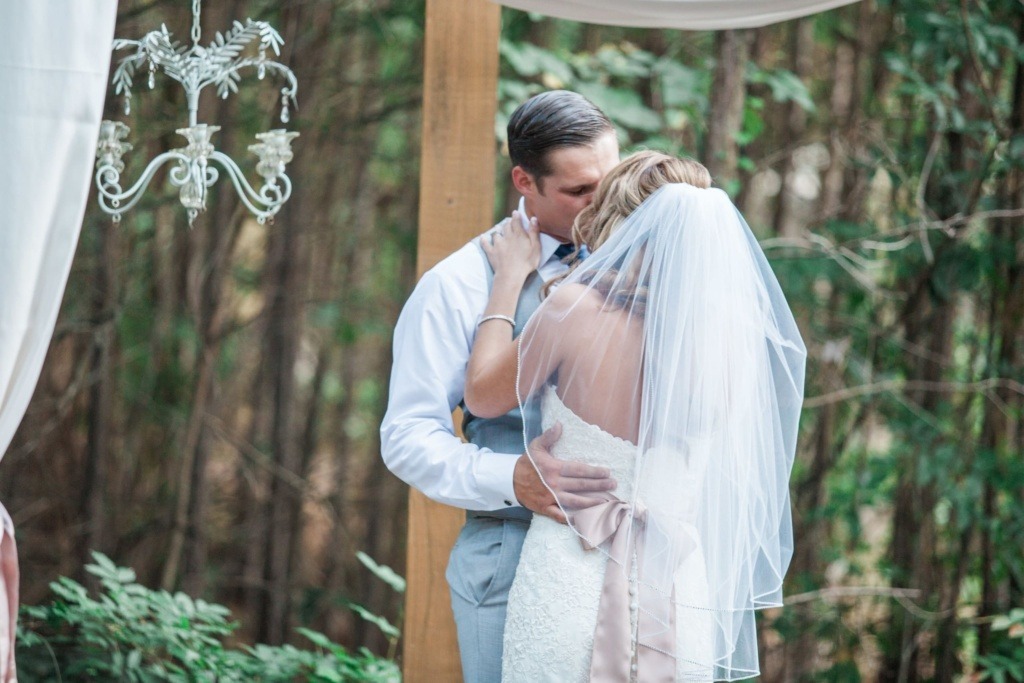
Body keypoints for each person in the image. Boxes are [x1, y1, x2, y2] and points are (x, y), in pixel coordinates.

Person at [464, 152, 807, 681]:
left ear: (619, 227)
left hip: (567, 570)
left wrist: (509, 280)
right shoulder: (730, 344)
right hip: (678, 592)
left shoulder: (572, 311)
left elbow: (483, 398)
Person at [380, 90, 621, 682]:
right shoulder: (455, 285)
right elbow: (407, 435)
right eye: (579, 191)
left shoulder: (636, 268)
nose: (602, 206)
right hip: (509, 560)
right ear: (524, 180)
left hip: (621, 560)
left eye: (610, 183)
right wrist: (508, 477)